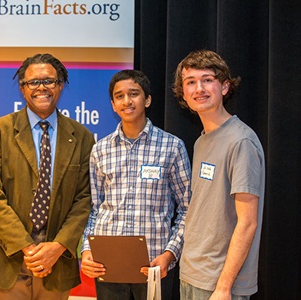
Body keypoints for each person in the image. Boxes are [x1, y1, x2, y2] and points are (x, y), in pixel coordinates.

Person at [0, 53, 96, 299]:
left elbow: (84, 199)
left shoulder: (82, 137)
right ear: (22, 88)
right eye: (33, 82)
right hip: (7, 260)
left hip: (56, 264)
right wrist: (27, 247)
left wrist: (57, 247)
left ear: (60, 86)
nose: (41, 88)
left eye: (49, 81)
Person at [80, 70, 192, 300]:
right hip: (107, 265)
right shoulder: (100, 150)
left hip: (154, 266)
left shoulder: (172, 147)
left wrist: (170, 253)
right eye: (119, 96)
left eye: (134, 94)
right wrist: (86, 250)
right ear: (112, 104)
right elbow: (94, 208)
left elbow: (188, 209)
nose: (127, 101)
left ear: (147, 100)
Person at [173, 49, 265, 300]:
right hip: (193, 273)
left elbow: (247, 222)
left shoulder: (241, 141)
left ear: (224, 87)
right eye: (190, 82)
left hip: (219, 284)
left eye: (207, 80)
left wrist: (224, 288)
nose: (198, 88)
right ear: (183, 93)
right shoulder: (202, 141)